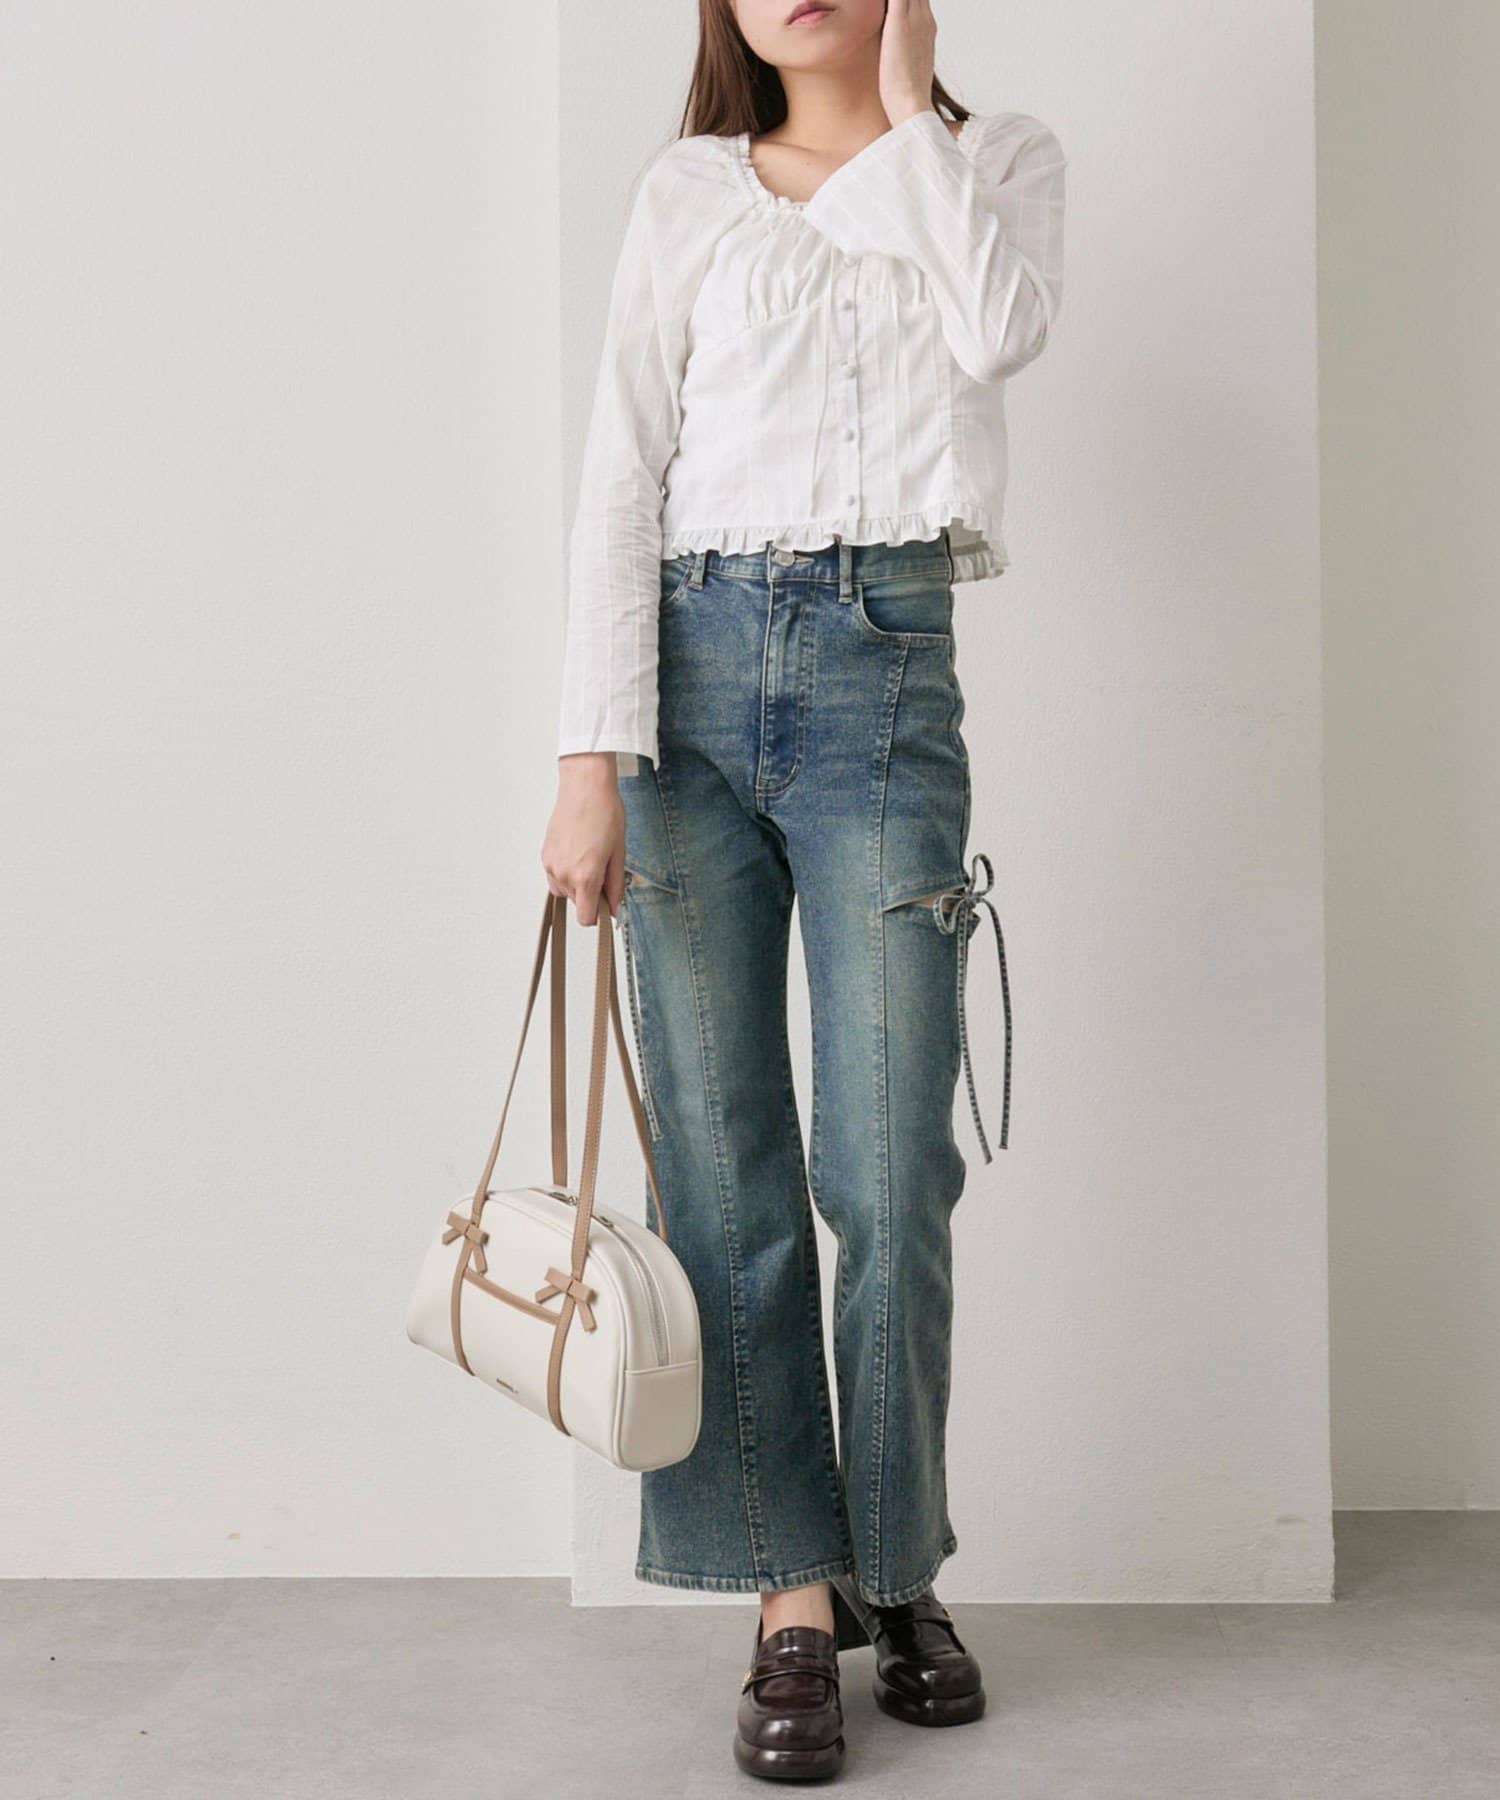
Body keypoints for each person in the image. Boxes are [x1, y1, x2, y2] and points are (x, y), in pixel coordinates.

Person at [541, 0, 1064, 1779]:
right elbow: (621, 471)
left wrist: (909, 109)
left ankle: (898, 1569)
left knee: (889, 1170)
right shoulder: (687, 191)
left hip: (885, 681)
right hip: (682, 698)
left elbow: (1002, 329)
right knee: (725, 1174)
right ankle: (788, 1592)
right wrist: (588, 758)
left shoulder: (991, 164)